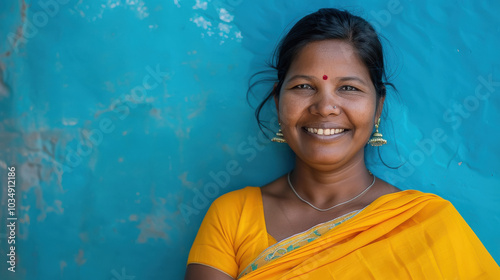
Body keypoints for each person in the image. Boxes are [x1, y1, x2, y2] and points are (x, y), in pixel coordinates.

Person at [185, 8, 500, 279]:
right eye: (304, 86)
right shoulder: (234, 215)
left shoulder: (427, 224)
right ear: (278, 101)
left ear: (378, 107)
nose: (325, 107)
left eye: (348, 88)